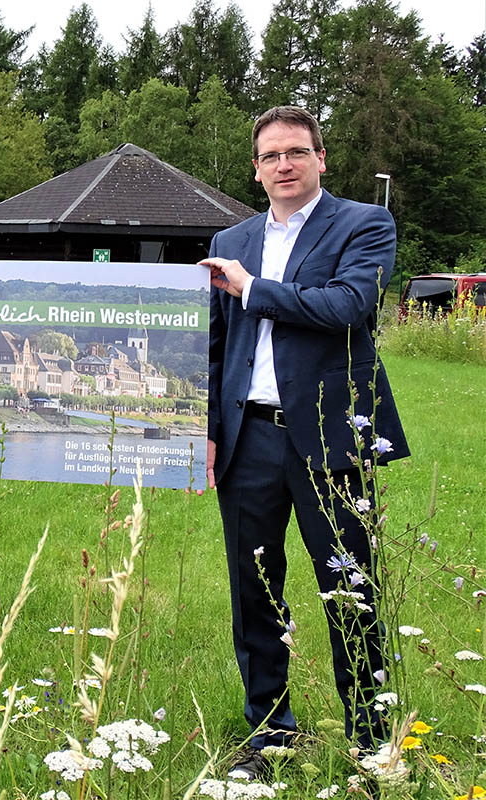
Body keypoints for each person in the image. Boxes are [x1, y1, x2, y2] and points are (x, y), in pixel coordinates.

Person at [201, 106, 409, 780]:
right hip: (248, 438)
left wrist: (253, 288)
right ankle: (269, 734)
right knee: (254, 591)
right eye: (270, 155)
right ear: (256, 169)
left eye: (296, 151)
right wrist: (205, 430)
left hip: (330, 439)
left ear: (322, 158)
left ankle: (371, 741)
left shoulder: (364, 224)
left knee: (349, 590)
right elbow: (213, 346)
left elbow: (348, 306)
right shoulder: (233, 236)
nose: (283, 164)